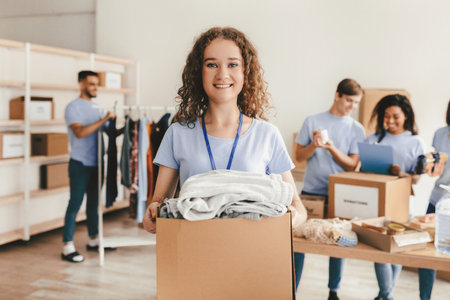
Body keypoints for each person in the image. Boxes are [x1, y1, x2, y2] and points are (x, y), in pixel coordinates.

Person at [142, 27, 306, 236]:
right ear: (198, 72)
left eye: (232, 64)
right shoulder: (177, 134)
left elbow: (298, 208)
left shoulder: (267, 135)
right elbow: (158, 204)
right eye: (212, 64)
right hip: (194, 250)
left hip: (252, 253)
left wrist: (291, 217)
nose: (222, 74)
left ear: (245, 72)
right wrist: (152, 215)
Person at [294, 78, 365, 300]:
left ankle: (333, 291)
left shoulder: (357, 129)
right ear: (337, 95)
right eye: (349, 101)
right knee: (299, 242)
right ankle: (291, 289)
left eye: (356, 103)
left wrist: (331, 147)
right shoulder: (312, 120)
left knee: (339, 242)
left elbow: (353, 164)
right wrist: (314, 146)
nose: (352, 107)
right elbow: (298, 157)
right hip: (312, 191)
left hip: (341, 194)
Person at [364, 94, 424, 300]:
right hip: (378, 200)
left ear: (406, 116)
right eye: (386, 116)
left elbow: (416, 179)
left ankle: (384, 295)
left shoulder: (415, 142)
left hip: (402, 203)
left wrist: (401, 173)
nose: (390, 121)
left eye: (395, 116)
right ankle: (387, 295)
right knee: (380, 249)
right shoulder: (372, 139)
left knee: (397, 249)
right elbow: (364, 171)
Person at [61, 70, 115, 263]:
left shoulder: (98, 107)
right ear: (81, 84)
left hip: (97, 164)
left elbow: (108, 130)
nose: (95, 88)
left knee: (93, 204)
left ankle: (93, 240)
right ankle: (67, 246)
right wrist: (103, 120)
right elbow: (80, 132)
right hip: (79, 164)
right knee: (74, 204)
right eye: (91, 84)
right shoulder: (72, 108)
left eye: (96, 84)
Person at [415, 100, 450, 300]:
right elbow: (435, 171)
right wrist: (431, 168)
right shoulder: (440, 133)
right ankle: (424, 297)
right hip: (438, 200)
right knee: (427, 254)